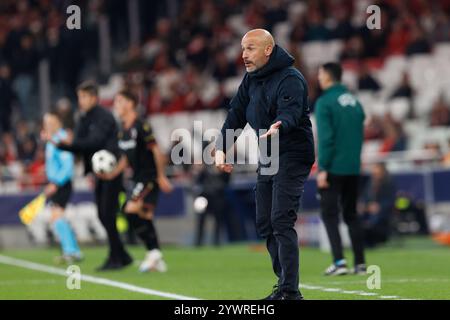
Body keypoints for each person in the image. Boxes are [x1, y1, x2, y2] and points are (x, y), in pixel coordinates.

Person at [215, 29, 315, 300]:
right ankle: (283, 283)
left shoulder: (290, 78)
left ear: (268, 49)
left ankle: (290, 293)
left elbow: (291, 112)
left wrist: (280, 125)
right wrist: (221, 149)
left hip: (293, 151)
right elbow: (236, 114)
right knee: (265, 222)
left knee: (281, 219)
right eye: (243, 49)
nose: (243, 54)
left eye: (250, 48)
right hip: (269, 152)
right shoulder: (251, 80)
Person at [58, 81, 132, 271]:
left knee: (107, 213)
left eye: (84, 97)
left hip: (111, 171)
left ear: (94, 97)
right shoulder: (83, 118)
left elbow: (93, 142)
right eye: (79, 97)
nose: (81, 101)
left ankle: (116, 257)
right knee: (103, 214)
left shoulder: (104, 117)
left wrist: (66, 145)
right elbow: (78, 142)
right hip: (98, 172)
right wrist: (64, 144)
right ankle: (121, 254)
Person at [102, 89, 173, 272]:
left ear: (130, 103)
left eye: (119, 101)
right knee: (144, 216)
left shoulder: (142, 125)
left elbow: (156, 151)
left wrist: (161, 176)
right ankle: (154, 255)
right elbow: (125, 158)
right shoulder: (122, 131)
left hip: (149, 177)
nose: (115, 105)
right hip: (137, 178)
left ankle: (154, 253)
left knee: (130, 209)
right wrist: (112, 174)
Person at [315, 62, 367, 276]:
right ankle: (361, 263)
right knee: (351, 214)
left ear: (327, 76)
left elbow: (326, 139)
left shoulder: (325, 102)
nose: (318, 78)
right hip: (353, 167)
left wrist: (323, 168)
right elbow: (360, 128)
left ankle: (339, 262)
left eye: (320, 73)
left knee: (329, 214)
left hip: (334, 166)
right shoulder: (355, 102)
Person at [42, 111, 82, 263]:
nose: (47, 125)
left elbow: (67, 165)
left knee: (56, 216)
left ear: (57, 122)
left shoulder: (62, 138)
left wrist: (56, 183)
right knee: (57, 216)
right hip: (56, 183)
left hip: (62, 183)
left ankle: (71, 251)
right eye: (45, 123)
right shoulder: (52, 139)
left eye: (50, 122)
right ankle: (72, 250)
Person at [359, 163, 396, 247]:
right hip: (369, 208)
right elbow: (365, 196)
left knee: (375, 218)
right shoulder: (370, 182)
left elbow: (390, 199)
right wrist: (363, 204)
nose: (375, 174)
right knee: (358, 215)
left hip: (383, 211)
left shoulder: (389, 183)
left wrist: (379, 206)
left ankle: (375, 239)